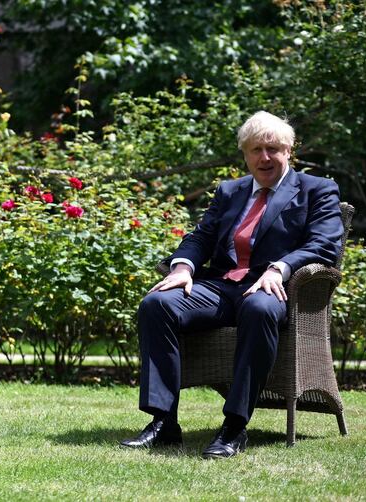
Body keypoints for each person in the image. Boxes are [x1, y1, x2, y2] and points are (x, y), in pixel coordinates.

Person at [119, 111, 343, 459]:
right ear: (245, 154)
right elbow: (202, 237)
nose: (264, 157)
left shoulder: (317, 190)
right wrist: (181, 267)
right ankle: (163, 422)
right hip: (223, 287)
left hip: (276, 290)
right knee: (158, 303)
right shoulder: (230, 191)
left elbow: (324, 244)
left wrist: (279, 269)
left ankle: (234, 427)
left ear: (288, 150)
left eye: (272, 148)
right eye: (255, 149)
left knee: (258, 308)